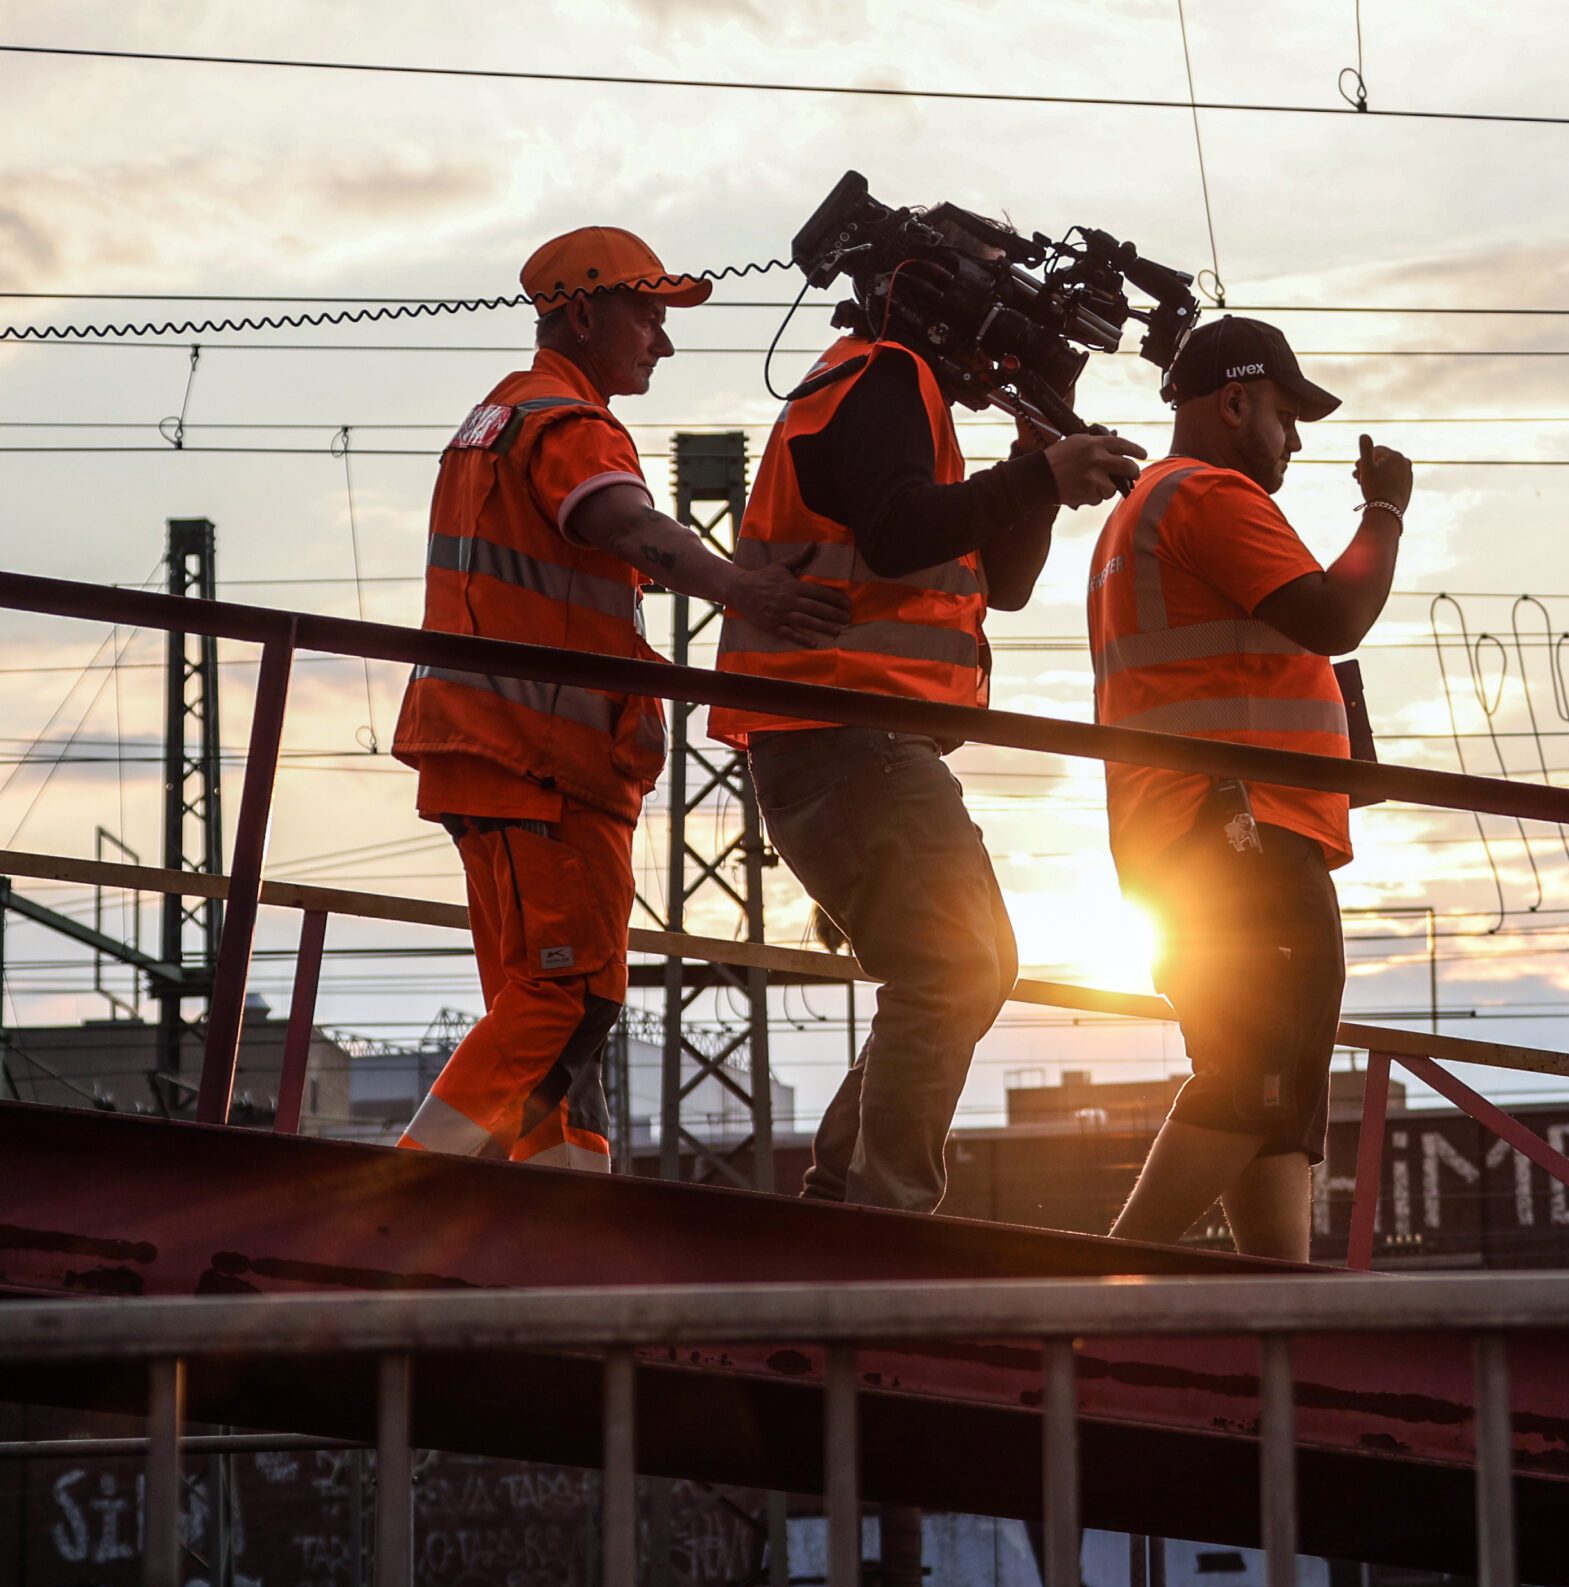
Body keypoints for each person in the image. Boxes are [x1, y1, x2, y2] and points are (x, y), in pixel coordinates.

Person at [712, 206, 1146, 1210]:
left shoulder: (890, 392)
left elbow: (1004, 582)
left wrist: (1041, 448)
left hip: (854, 739)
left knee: (974, 965)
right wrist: (1039, 470)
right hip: (846, 732)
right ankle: (882, 1212)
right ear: (937, 295)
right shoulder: (882, 377)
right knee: (952, 968)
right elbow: (900, 531)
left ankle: (846, 1195)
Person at [391, 227, 848, 1170]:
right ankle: (400, 1196)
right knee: (569, 998)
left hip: (484, 750)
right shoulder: (567, 423)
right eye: (648, 317)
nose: (663, 343)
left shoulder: (493, 420)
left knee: (552, 1006)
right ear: (582, 315)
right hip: (542, 762)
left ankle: (563, 1202)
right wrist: (744, 590)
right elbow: (623, 523)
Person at [1088, 318, 1412, 1260]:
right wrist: (1385, 510)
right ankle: (1097, 1286)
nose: (1295, 440)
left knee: (1271, 1088)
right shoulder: (1208, 495)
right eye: (1285, 414)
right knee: (1262, 1064)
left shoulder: (1137, 514)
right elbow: (1334, 616)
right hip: (1239, 831)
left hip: (1189, 838)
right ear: (1234, 402)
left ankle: (1283, 1309)